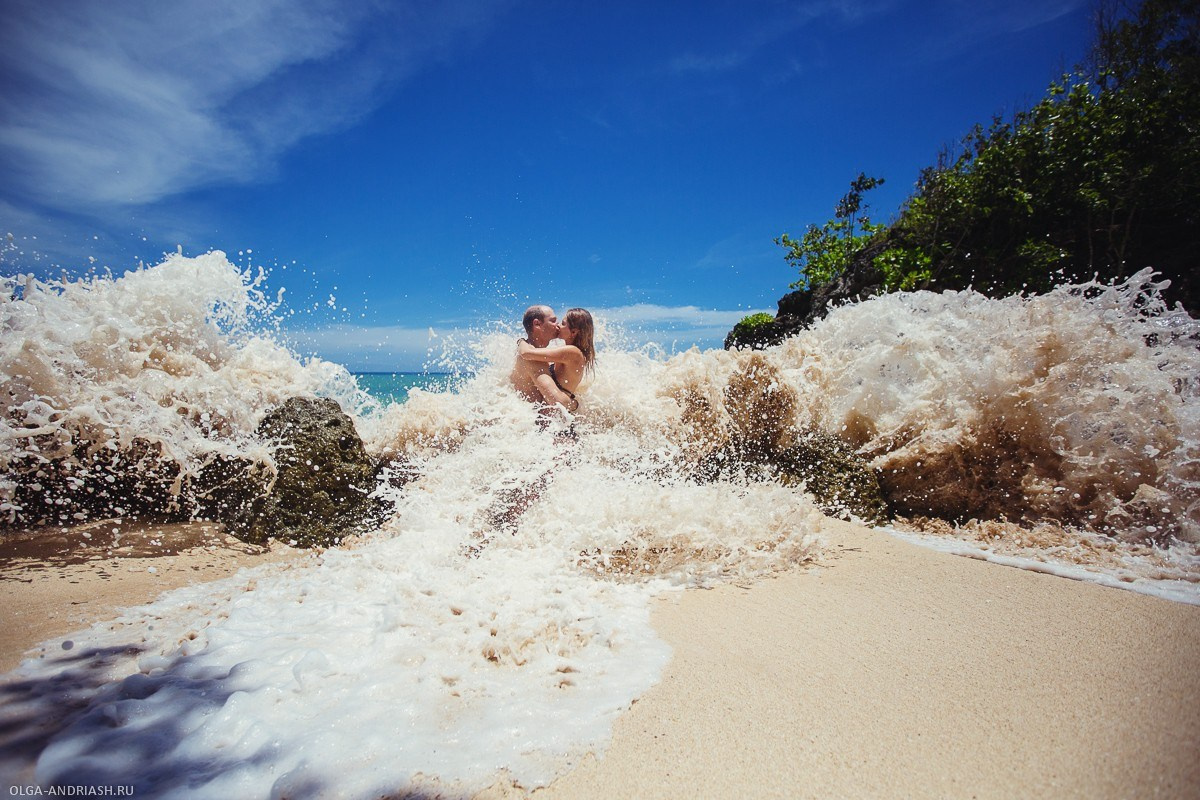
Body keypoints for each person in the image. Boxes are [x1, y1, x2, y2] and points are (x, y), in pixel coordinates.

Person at [516, 307, 595, 412]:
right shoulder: (567, 354)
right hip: (557, 420)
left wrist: (520, 341)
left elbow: (526, 353)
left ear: (573, 332)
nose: (558, 326)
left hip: (559, 422)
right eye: (554, 321)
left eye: (563, 323)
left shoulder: (572, 352)